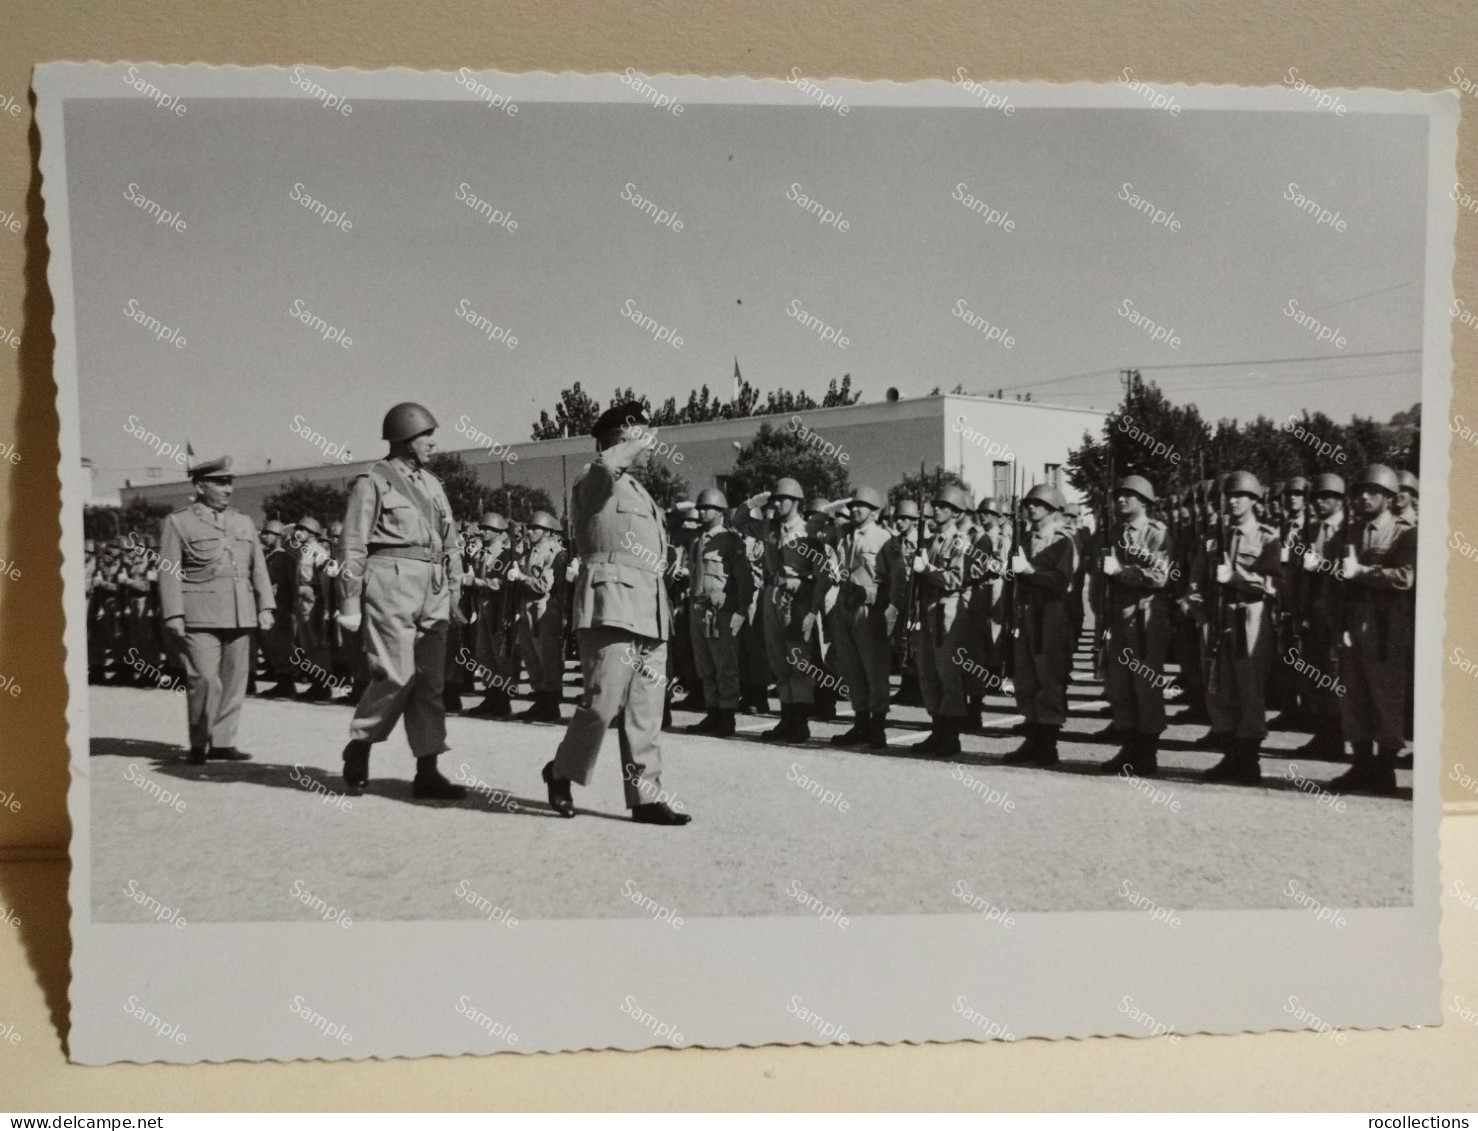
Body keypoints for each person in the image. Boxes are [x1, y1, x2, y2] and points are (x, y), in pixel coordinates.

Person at [542, 402, 690, 825]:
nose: (649, 445)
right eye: (640, 436)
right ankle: (560, 772)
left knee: (647, 708)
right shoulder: (594, 479)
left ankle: (646, 797)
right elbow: (607, 467)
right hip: (610, 603)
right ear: (622, 439)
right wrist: (633, 441)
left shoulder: (639, 491)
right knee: (602, 702)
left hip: (649, 606)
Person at [334, 402, 466, 800]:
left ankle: (428, 770)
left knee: (430, 681)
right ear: (406, 436)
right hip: (390, 581)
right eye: (426, 436)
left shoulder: (433, 484)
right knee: (395, 674)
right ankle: (360, 745)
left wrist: (455, 590)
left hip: (434, 585)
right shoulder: (372, 481)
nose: (432, 443)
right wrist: (350, 603)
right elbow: (352, 544)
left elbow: (451, 541)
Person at [157, 456, 275, 764]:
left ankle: (223, 742)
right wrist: (173, 613)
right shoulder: (178, 522)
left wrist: (266, 605)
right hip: (199, 612)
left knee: (235, 678)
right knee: (205, 679)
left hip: (240, 609)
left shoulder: (243, 521)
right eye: (220, 483)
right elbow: (169, 570)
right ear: (199, 486)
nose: (228, 489)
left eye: (230, 482)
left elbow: (257, 567)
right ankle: (200, 742)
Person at [1327, 464, 1416, 795]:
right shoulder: (1347, 534)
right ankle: (1361, 765)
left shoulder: (1403, 532)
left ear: (1390, 497)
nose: (1364, 497)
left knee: (1386, 695)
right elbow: (1334, 585)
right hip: (1352, 623)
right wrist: (1336, 626)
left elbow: (1405, 578)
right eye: (1360, 492)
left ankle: (1385, 768)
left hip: (1385, 625)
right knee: (1353, 696)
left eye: (1373, 492)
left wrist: (1362, 571)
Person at [1198, 471, 1281, 784]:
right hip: (1219, 618)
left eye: (1240, 496)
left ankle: (1249, 760)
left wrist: (1235, 577)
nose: (1233, 501)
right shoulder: (1212, 537)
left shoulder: (1266, 537)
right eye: (1229, 496)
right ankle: (1230, 756)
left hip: (1249, 618)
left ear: (1254, 500)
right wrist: (1200, 615)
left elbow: (1272, 584)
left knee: (1249, 689)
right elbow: (1196, 583)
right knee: (1222, 689)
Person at [1097, 476, 1173, 776]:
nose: (1120, 500)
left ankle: (1146, 753)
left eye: (1128, 495)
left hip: (1144, 615)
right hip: (1118, 613)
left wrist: (1122, 572)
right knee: (1119, 685)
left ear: (1145, 501)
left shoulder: (1156, 533)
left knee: (1145, 685)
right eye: (1118, 495)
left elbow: (1160, 576)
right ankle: (1128, 748)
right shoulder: (1114, 533)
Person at [1002, 484, 1076, 767]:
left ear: (1052, 509)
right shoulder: (1024, 539)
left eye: (1038, 504)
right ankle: (1032, 737)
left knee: (1048, 677)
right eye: (1029, 504)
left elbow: (1062, 580)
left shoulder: (1062, 541)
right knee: (1026, 677)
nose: (1031, 508)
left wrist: (1031, 571)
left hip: (1050, 613)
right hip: (1026, 612)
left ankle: (1048, 743)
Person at [828, 486, 901, 749]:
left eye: (861, 505)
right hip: (845, 606)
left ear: (875, 510)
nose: (855, 509)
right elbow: (818, 523)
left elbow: (897, 579)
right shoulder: (846, 536)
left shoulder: (886, 538)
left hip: (870, 611)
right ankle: (860, 723)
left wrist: (892, 612)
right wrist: (841, 503)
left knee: (875, 670)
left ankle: (877, 727)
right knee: (851, 669)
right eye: (853, 505)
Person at [758, 477, 825, 743]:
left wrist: (812, 612)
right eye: (775, 499)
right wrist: (758, 501)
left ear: (796, 502)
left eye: (782, 499)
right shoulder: (771, 530)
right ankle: (785, 719)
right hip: (773, 595)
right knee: (778, 661)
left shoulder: (810, 532)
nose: (777, 503)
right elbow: (740, 519)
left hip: (798, 600)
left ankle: (800, 723)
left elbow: (822, 577)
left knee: (799, 662)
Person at [909, 486, 974, 755]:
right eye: (935, 505)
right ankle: (937, 730)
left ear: (956, 512)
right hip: (928, 609)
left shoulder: (960, 541)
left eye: (943, 506)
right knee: (928, 673)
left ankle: (951, 736)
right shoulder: (930, 540)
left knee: (949, 674)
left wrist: (927, 570)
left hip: (948, 611)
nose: (936, 509)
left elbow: (956, 579)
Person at [684, 488, 751, 737]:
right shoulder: (696, 540)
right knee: (705, 666)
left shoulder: (731, 540)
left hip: (720, 613)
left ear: (720, 510)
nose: (702, 512)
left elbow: (744, 580)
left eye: (707, 508)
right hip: (698, 609)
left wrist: (739, 609)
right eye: (700, 508)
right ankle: (712, 713)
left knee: (725, 666)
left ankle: (727, 716)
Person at [510, 509, 567, 722]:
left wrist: (521, 578)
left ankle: (551, 705)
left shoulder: (552, 551)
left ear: (547, 531)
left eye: (536, 528)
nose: (530, 531)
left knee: (547, 657)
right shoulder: (528, 551)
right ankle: (540, 700)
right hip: (527, 608)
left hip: (544, 609)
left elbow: (544, 585)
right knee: (531, 657)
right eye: (530, 527)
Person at [465, 511, 516, 717]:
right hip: (482, 608)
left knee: (499, 655)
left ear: (498, 532)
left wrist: (475, 582)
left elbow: (499, 583)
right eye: (482, 528)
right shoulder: (481, 554)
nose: (483, 532)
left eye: (488, 529)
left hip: (497, 609)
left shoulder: (504, 554)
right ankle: (491, 694)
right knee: (484, 654)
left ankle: (503, 698)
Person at [293, 516, 335, 700]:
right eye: (298, 528)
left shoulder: (317, 551)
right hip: (302, 601)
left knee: (317, 644)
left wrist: (324, 606)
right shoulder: (303, 551)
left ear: (312, 533)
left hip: (313, 602)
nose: (298, 532)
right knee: (307, 644)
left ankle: (322, 685)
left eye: (303, 529)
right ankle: (315, 683)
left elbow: (326, 577)